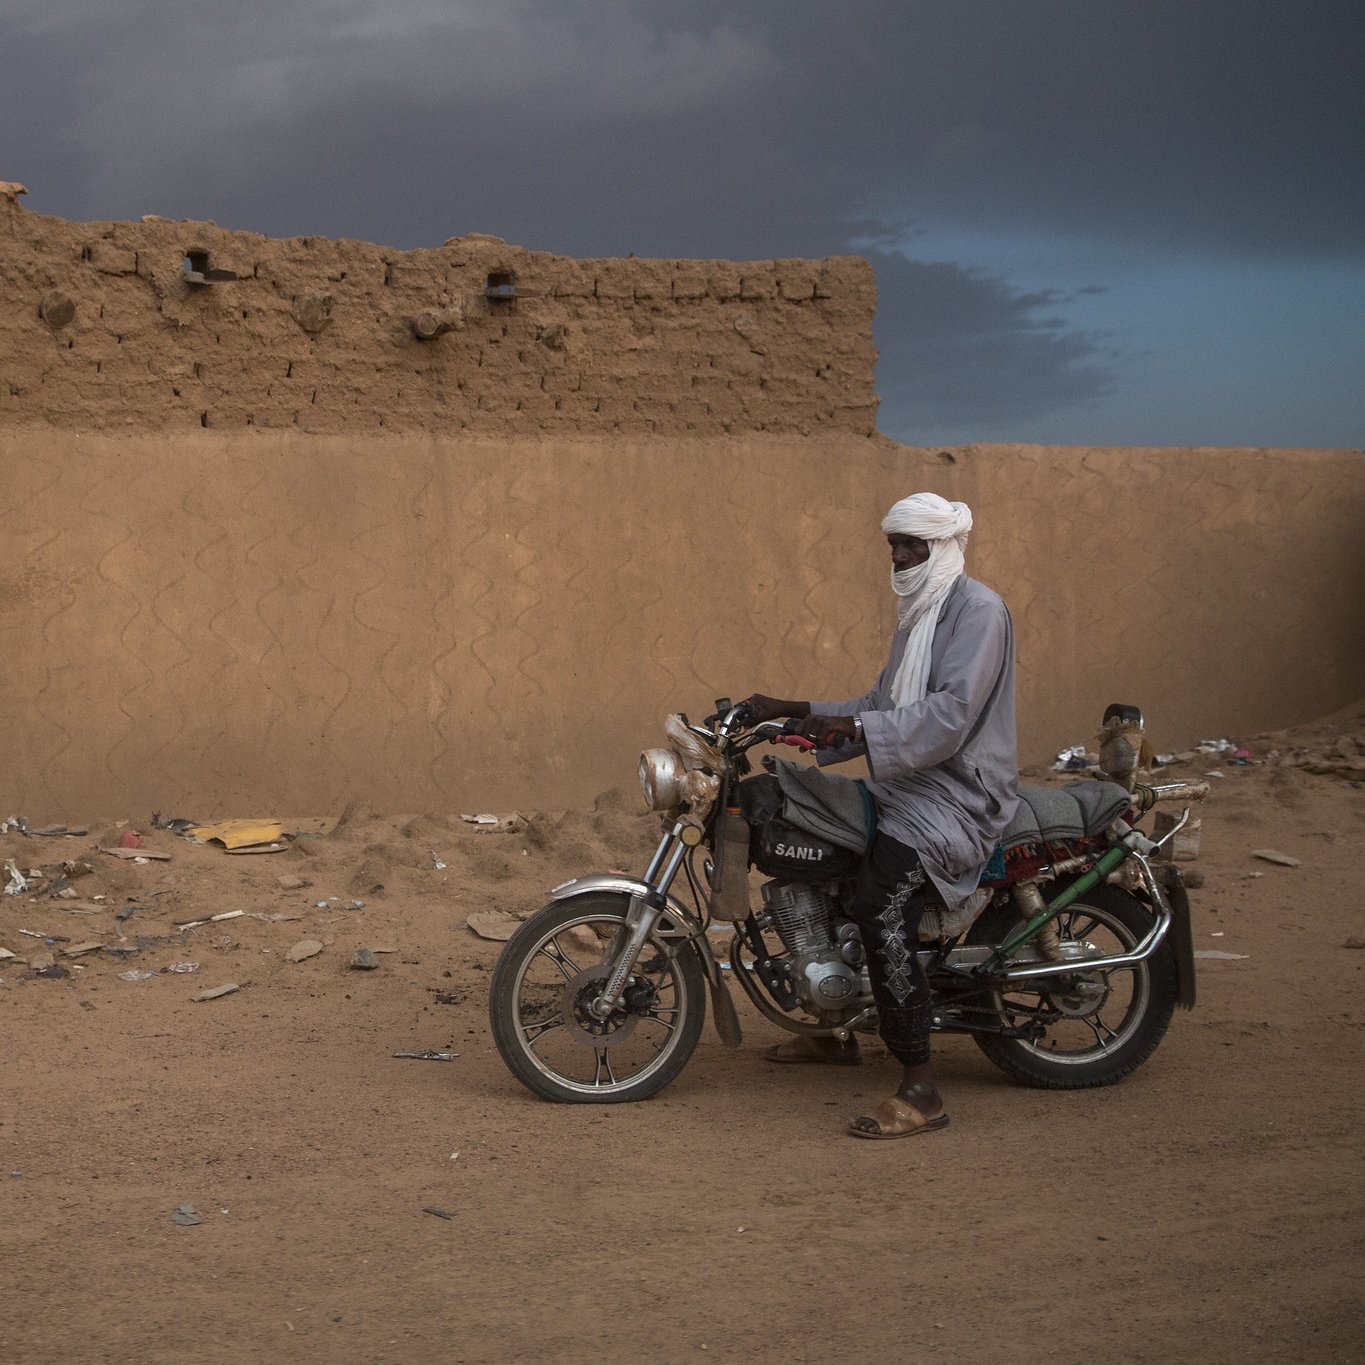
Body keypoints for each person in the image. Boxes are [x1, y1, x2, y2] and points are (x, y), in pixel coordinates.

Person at [745, 492, 1018, 1139]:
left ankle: (920, 1085)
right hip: (907, 782)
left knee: (876, 903)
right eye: (892, 543)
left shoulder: (977, 611)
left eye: (911, 545)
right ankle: (833, 1027)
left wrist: (851, 726)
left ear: (941, 546)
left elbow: (948, 717)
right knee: (814, 846)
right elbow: (879, 701)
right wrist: (782, 709)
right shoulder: (918, 613)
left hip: (957, 794)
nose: (897, 555)